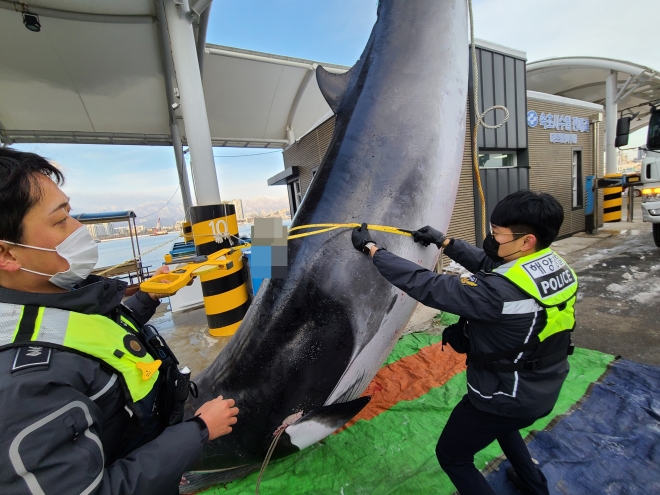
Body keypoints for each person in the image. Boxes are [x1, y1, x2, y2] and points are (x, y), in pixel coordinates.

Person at [0, 148, 238, 494]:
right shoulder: (23, 390)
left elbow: (93, 337)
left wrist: (149, 297)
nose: (79, 228)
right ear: (7, 253)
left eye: (71, 212)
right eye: (60, 220)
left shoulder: (54, 299)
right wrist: (198, 431)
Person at [351, 190, 577, 495]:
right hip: (541, 385)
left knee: (453, 456)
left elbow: (427, 284)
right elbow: (491, 265)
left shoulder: (495, 292)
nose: (492, 239)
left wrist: (374, 250)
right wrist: (445, 242)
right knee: (505, 428)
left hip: (501, 395)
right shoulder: (552, 265)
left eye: (497, 234)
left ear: (527, 240)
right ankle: (534, 485)